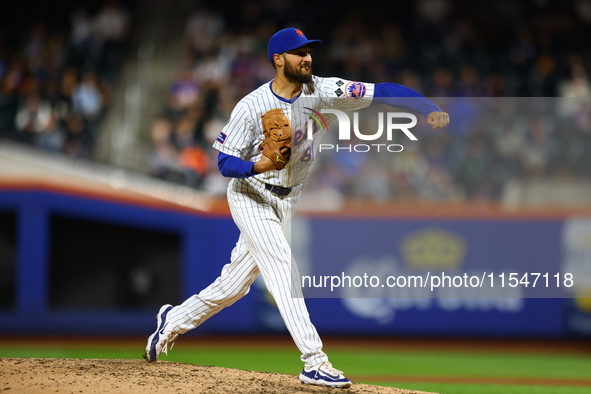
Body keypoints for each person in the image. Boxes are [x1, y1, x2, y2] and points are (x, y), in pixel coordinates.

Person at [143, 27, 450, 388]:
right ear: (278, 59)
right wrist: (260, 165)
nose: (307, 57)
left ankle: (173, 320)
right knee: (282, 267)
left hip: (288, 197)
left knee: (233, 287)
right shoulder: (252, 105)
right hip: (250, 193)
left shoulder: (323, 90)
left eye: (309, 51)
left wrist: (427, 107)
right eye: (298, 52)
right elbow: (225, 163)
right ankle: (314, 360)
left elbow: (383, 92)